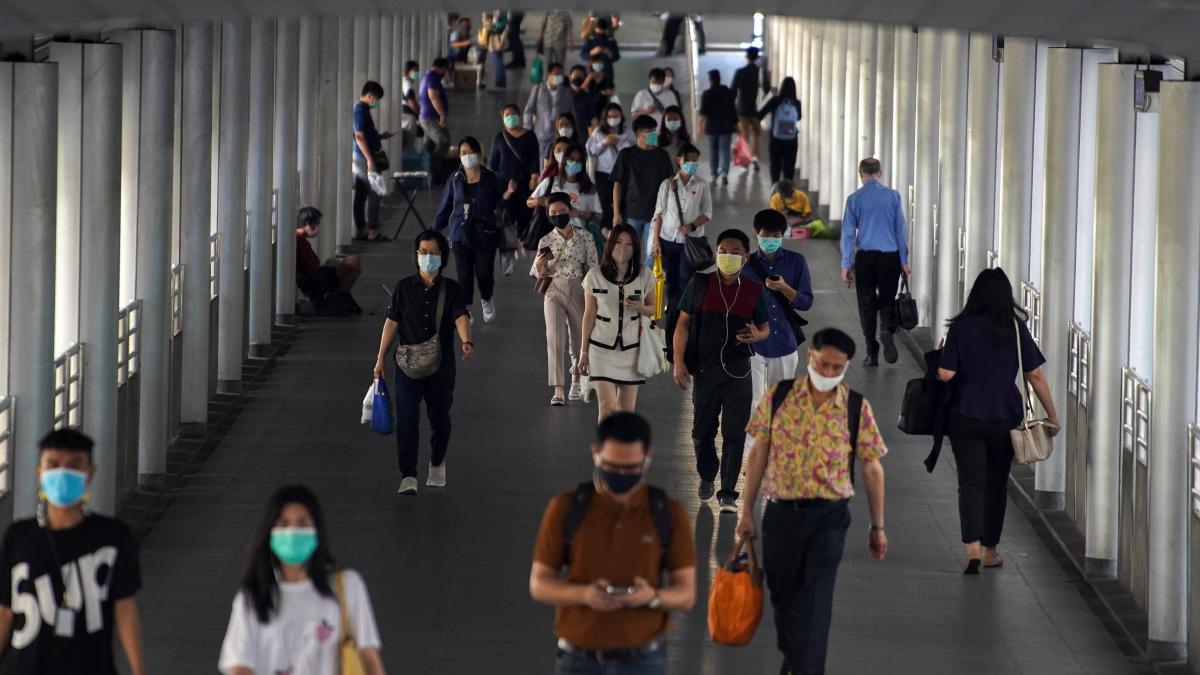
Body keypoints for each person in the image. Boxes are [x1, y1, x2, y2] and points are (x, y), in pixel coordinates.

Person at [736, 327, 889, 675]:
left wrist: (877, 526)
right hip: (781, 516)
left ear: (847, 366)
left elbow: (872, 468)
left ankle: (805, 668)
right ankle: (795, 661)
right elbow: (758, 453)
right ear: (810, 357)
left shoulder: (855, 407)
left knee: (816, 602)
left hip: (829, 519)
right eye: (823, 364)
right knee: (783, 597)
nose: (829, 373)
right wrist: (746, 512)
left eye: (837, 368)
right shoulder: (779, 397)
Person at [529, 412, 696, 675]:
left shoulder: (667, 513)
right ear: (596, 454)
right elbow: (539, 584)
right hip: (578, 660)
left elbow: (686, 594)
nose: (621, 474)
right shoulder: (566, 509)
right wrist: (585, 595)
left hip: (644, 661)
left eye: (631, 468)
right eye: (612, 466)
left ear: (647, 457)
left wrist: (652, 597)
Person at [937, 268, 1059, 573]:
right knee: (996, 483)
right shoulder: (1015, 328)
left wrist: (940, 357)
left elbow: (946, 374)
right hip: (1005, 416)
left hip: (965, 414)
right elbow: (1034, 374)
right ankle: (990, 550)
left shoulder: (961, 327)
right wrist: (1052, 414)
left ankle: (972, 548)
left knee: (970, 481)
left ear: (975, 294)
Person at [0, 429, 145, 675]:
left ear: (90, 472)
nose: (63, 473)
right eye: (53, 464)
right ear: (39, 471)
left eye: (74, 465)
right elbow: (5, 610)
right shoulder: (18, 537)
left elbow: (125, 607)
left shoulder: (113, 537)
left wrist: (138, 670)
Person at [218, 485, 385, 674]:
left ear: (317, 529)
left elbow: (369, 656)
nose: (292, 532)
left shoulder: (347, 586)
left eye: (302, 523)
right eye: (283, 524)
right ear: (269, 532)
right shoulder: (252, 598)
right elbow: (240, 666)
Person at [672, 229, 771, 512]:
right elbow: (682, 323)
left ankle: (728, 491)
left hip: (739, 372)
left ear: (746, 257)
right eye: (723, 251)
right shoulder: (700, 283)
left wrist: (757, 335)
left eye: (735, 252)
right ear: (716, 254)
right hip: (705, 370)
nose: (728, 256)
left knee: (734, 432)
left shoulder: (753, 290)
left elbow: (765, 327)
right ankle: (707, 474)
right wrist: (679, 362)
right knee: (702, 431)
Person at [373, 230, 474, 495]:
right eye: (423, 252)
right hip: (407, 364)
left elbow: (460, 315)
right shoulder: (403, 288)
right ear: (416, 255)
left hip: (441, 366)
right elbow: (391, 323)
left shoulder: (452, 289)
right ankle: (408, 475)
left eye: (434, 252)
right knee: (407, 419)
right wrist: (380, 357)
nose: (428, 257)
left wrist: (466, 341)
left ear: (443, 256)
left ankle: (437, 462)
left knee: (439, 418)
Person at [579, 224, 659, 421]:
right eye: (619, 242)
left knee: (626, 412)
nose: (623, 248)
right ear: (610, 244)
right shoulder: (594, 276)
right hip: (600, 349)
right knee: (607, 407)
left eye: (629, 244)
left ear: (635, 248)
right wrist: (583, 352)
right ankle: (605, 443)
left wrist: (640, 307)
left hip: (632, 351)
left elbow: (653, 309)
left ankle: (620, 442)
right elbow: (589, 315)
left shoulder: (644, 275)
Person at [740, 209, 813, 420]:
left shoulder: (796, 262)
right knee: (751, 402)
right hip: (752, 343)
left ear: (783, 235)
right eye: (766, 235)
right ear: (756, 233)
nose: (770, 240)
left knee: (780, 404)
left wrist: (785, 288)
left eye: (776, 236)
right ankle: (753, 440)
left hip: (784, 341)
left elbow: (806, 302)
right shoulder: (745, 265)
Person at [433, 136, 515, 323]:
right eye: (463, 153)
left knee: (484, 274)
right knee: (464, 275)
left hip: (485, 232)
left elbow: (500, 205)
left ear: (478, 154)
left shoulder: (491, 178)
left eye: (471, 152)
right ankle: (466, 309)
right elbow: (445, 206)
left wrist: (508, 194)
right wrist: (434, 230)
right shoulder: (455, 179)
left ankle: (487, 299)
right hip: (460, 233)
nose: (467, 156)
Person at [840, 158, 910, 366]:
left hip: (865, 257)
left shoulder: (854, 199)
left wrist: (846, 264)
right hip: (890, 256)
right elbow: (900, 230)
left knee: (866, 304)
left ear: (860, 174)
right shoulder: (893, 196)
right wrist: (904, 260)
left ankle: (872, 353)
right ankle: (886, 328)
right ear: (880, 173)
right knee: (887, 299)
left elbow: (848, 234)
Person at [532, 192, 599, 406]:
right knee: (554, 338)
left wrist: (595, 294)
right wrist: (540, 266)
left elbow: (593, 267)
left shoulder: (585, 236)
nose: (558, 215)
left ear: (570, 211)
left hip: (579, 287)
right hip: (553, 289)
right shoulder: (546, 240)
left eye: (562, 211)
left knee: (579, 337)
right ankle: (558, 388)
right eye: (553, 213)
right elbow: (538, 272)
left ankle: (576, 380)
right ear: (548, 215)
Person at [650, 144, 712, 305]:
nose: (692, 163)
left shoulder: (702, 185)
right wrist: (656, 242)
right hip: (668, 240)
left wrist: (692, 226)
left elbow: (707, 213)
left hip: (690, 242)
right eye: (688, 160)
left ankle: (685, 311)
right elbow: (659, 215)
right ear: (679, 160)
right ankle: (672, 309)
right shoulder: (666, 185)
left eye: (695, 160)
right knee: (671, 279)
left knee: (686, 278)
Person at [611, 115, 675, 258]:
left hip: (656, 215)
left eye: (654, 130)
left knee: (652, 254)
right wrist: (616, 213)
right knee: (629, 253)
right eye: (649, 131)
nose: (654, 134)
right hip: (632, 213)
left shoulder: (662, 155)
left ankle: (646, 274)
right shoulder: (626, 155)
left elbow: (670, 182)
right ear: (639, 133)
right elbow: (617, 185)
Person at [488, 103, 541, 246]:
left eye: (513, 114)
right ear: (503, 118)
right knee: (507, 215)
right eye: (507, 115)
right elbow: (493, 164)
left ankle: (524, 242)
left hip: (524, 184)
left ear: (519, 116)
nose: (510, 117)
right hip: (504, 186)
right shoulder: (499, 138)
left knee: (525, 213)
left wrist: (534, 176)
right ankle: (509, 244)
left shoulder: (529, 136)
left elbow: (534, 157)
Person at [352, 80, 394, 242]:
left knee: (363, 193)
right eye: (376, 99)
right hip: (365, 157)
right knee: (374, 192)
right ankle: (372, 230)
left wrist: (379, 136)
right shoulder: (360, 110)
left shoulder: (363, 109)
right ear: (370, 95)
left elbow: (365, 134)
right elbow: (359, 136)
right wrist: (370, 160)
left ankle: (362, 230)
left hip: (364, 156)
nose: (376, 102)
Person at [529, 144, 602, 231]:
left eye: (579, 160)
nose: (574, 163)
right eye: (571, 159)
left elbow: (600, 216)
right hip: (552, 233)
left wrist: (579, 214)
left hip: (579, 234)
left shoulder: (589, 188)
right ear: (564, 160)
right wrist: (541, 202)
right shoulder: (550, 182)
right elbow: (529, 202)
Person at [295, 206, 362, 302]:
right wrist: (326, 284)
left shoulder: (299, 239)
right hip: (317, 279)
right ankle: (338, 296)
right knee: (354, 262)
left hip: (317, 274)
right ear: (307, 223)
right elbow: (311, 270)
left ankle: (340, 296)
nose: (317, 227)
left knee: (354, 263)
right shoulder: (300, 242)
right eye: (316, 224)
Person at [587, 103, 634, 231]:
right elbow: (590, 150)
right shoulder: (598, 131)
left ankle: (621, 229)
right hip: (603, 173)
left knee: (621, 202)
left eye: (616, 116)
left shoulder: (627, 131)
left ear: (621, 116)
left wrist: (620, 143)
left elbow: (633, 149)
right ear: (605, 117)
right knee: (605, 203)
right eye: (610, 116)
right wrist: (603, 143)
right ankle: (605, 229)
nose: (613, 119)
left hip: (622, 173)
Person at [525, 62, 577, 159]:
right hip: (541, 134)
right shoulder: (538, 89)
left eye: (561, 74)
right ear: (549, 74)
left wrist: (572, 130)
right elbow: (529, 110)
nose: (559, 77)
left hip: (560, 134)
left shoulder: (567, 91)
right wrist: (528, 130)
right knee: (541, 160)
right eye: (556, 74)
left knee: (560, 158)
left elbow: (572, 112)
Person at [758, 76, 802, 183]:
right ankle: (788, 190)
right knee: (789, 167)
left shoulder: (775, 101)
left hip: (776, 138)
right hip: (791, 139)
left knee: (775, 166)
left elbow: (760, 114)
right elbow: (799, 117)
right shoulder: (797, 103)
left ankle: (775, 188)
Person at [698, 69, 738, 185]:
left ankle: (714, 174)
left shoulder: (707, 94)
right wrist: (737, 125)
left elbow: (703, 113)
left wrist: (700, 126)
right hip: (726, 127)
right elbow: (733, 111)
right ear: (719, 79)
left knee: (713, 151)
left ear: (710, 80)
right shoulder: (728, 92)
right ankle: (724, 173)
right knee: (725, 150)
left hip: (712, 127)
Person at [732, 47, 764, 172]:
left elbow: (733, 90)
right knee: (756, 134)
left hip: (742, 109)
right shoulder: (759, 72)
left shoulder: (740, 72)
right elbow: (766, 89)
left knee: (744, 136)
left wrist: (733, 108)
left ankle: (744, 161)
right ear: (756, 57)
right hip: (756, 109)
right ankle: (755, 158)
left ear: (747, 57)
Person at [418, 58, 451, 159]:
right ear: (440, 68)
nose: (445, 73)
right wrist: (442, 114)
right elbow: (433, 97)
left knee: (431, 144)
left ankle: (426, 163)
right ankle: (434, 164)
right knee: (443, 142)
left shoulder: (430, 77)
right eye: (445, 70)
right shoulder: (432, 78)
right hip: (431, 118)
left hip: (428, 117)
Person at [579, 17, 620, 84]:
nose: (600, 31)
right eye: (599, 28)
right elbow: (582, 55)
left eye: (602, 29)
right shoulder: (590, 40)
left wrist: (610, 53)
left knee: (606, 87)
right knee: (592, 86)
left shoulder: (611, 41)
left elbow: (617, 57)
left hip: (606, 70)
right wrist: (592, 52)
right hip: (592, 69)